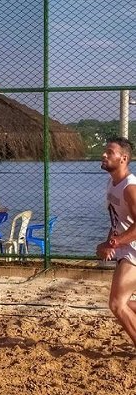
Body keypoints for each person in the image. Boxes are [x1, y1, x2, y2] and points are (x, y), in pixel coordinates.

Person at [96, 136, 136, 346]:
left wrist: (114, 243)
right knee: (124, 301)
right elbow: (118, 220)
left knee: (117, 303)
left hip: (133, 249)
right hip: (125, 246)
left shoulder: (130, 187)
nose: (104, 154)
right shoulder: (112, 182)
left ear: (123, 158)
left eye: (110, 152)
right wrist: (109, 241)